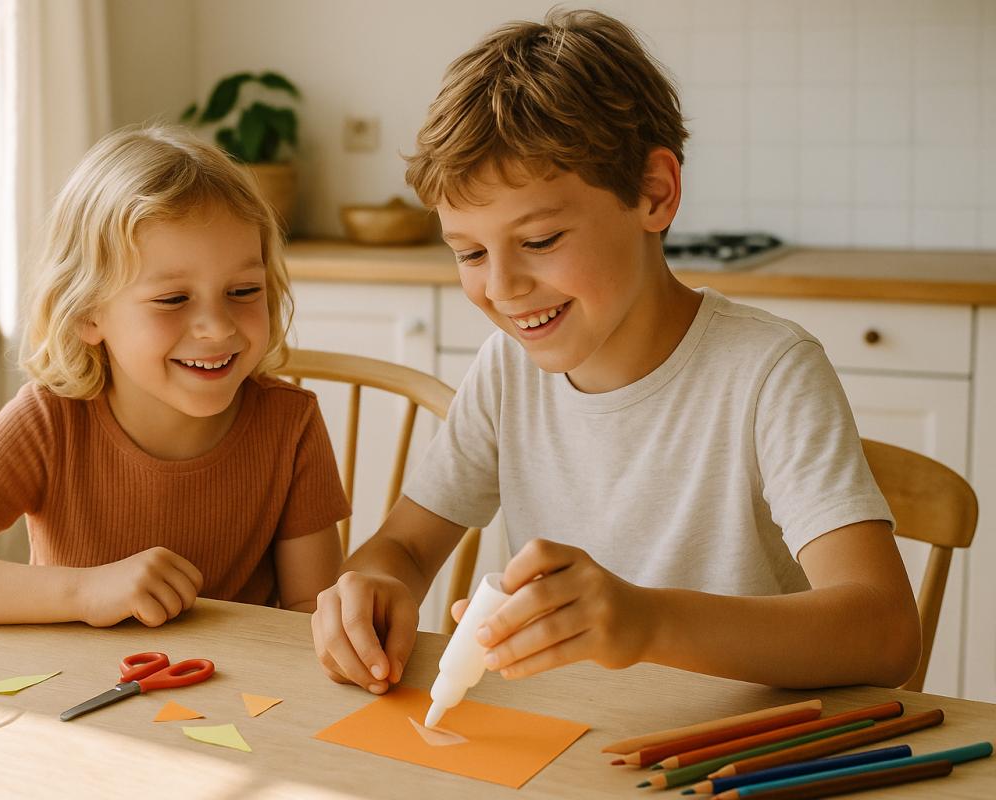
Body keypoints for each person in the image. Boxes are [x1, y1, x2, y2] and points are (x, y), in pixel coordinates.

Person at [312, 9, 920, 694]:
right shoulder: (507, 371)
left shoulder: (769, 373)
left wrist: (646, 623)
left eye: (540, 241)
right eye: (471, 253)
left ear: (654, 193)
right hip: (573, 735)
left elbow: (885, 633)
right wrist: (370, 587)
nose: (503, 287)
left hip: (737, 744)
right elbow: (403, 547)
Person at [0, 124, 349, 627]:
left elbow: (311, 617)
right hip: (70, 678)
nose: (218, 327)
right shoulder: (48, 421)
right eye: (173, 299)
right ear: (86, 313)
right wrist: (84, 591)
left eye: (244, 291)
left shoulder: (291, 423)